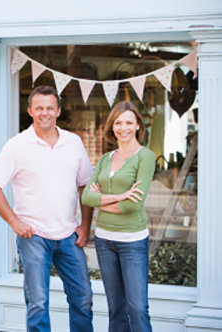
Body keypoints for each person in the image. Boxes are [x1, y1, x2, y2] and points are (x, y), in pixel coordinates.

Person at [0, 86, 94, 332]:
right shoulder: (17, 145)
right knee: (38, 304)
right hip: (33, 236)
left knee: (83, 299)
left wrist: (85, 225)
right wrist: (15, 222)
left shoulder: (73, 142)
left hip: (68, 235)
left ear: (58, 110)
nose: (45, 113)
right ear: (30, 111)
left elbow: (85, 186)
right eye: (39, 108)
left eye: (49, 108)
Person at [82, 101, 155, 332]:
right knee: (116, 309)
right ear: (112, 126)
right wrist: (121, 196)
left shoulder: (146, 156)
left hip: (132, 242)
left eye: (128, 122)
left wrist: (103, 202)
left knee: (138, 309)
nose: (123, 127)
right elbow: (86, 197)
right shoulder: (105, 158)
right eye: (118, 122)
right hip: (104, 241)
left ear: (137, 126)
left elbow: (134, 205)